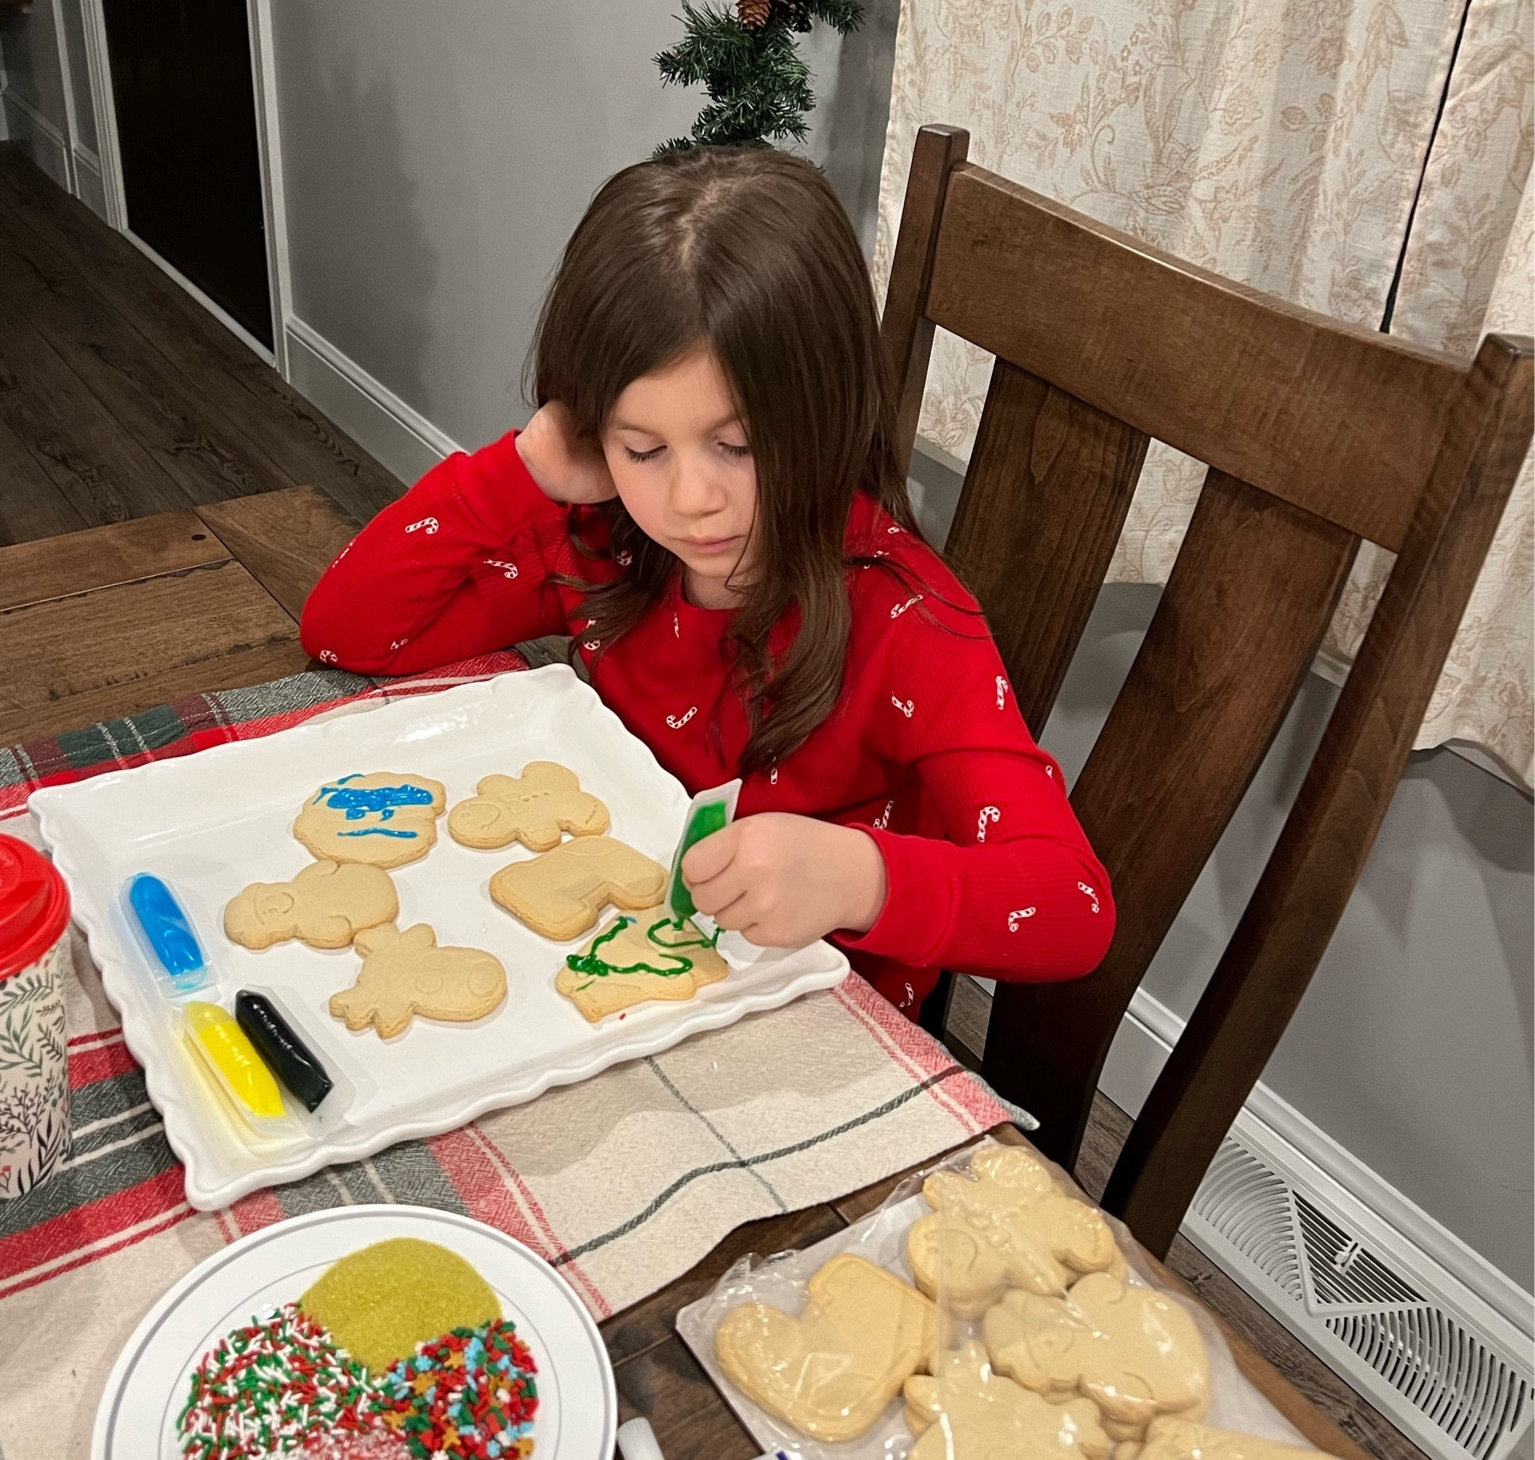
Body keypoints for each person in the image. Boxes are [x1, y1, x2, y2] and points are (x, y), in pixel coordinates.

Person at [300, 146, 1114, 1019]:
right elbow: (351, 631)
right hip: (616, 971)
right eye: (642, 448)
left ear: (827, 410)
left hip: (813, 1027)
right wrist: (520, 472)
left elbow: (1074, 909)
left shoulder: (908, 623)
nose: (692, 501)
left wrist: (861, 880)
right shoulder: (609, 544)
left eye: (740, 444)